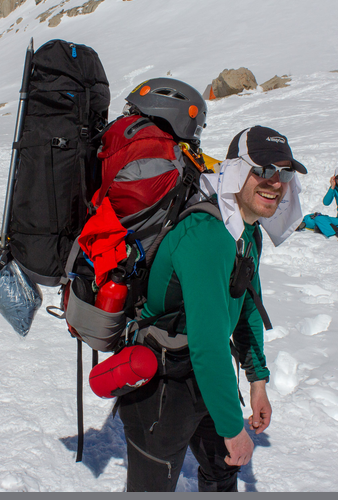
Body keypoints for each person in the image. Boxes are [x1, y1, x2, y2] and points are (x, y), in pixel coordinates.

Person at [118, 125, 307, 492]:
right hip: (161, 384)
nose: (275, 183)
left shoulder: (247, 230)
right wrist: (234, 429)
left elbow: (248, 305)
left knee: (222, 468)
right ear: (237, 172)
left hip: (204, 373)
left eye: (283, 173)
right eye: (262, 170)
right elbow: (208, 344)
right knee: (152, 486)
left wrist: (257, 380)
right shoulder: (207, 235)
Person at [298, 165, 338, 241]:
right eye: (337, 177)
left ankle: (324, 228)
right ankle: (335, 231)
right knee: (317, 218)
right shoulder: (335, 187)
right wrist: (332, 187)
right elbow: (326, 202)